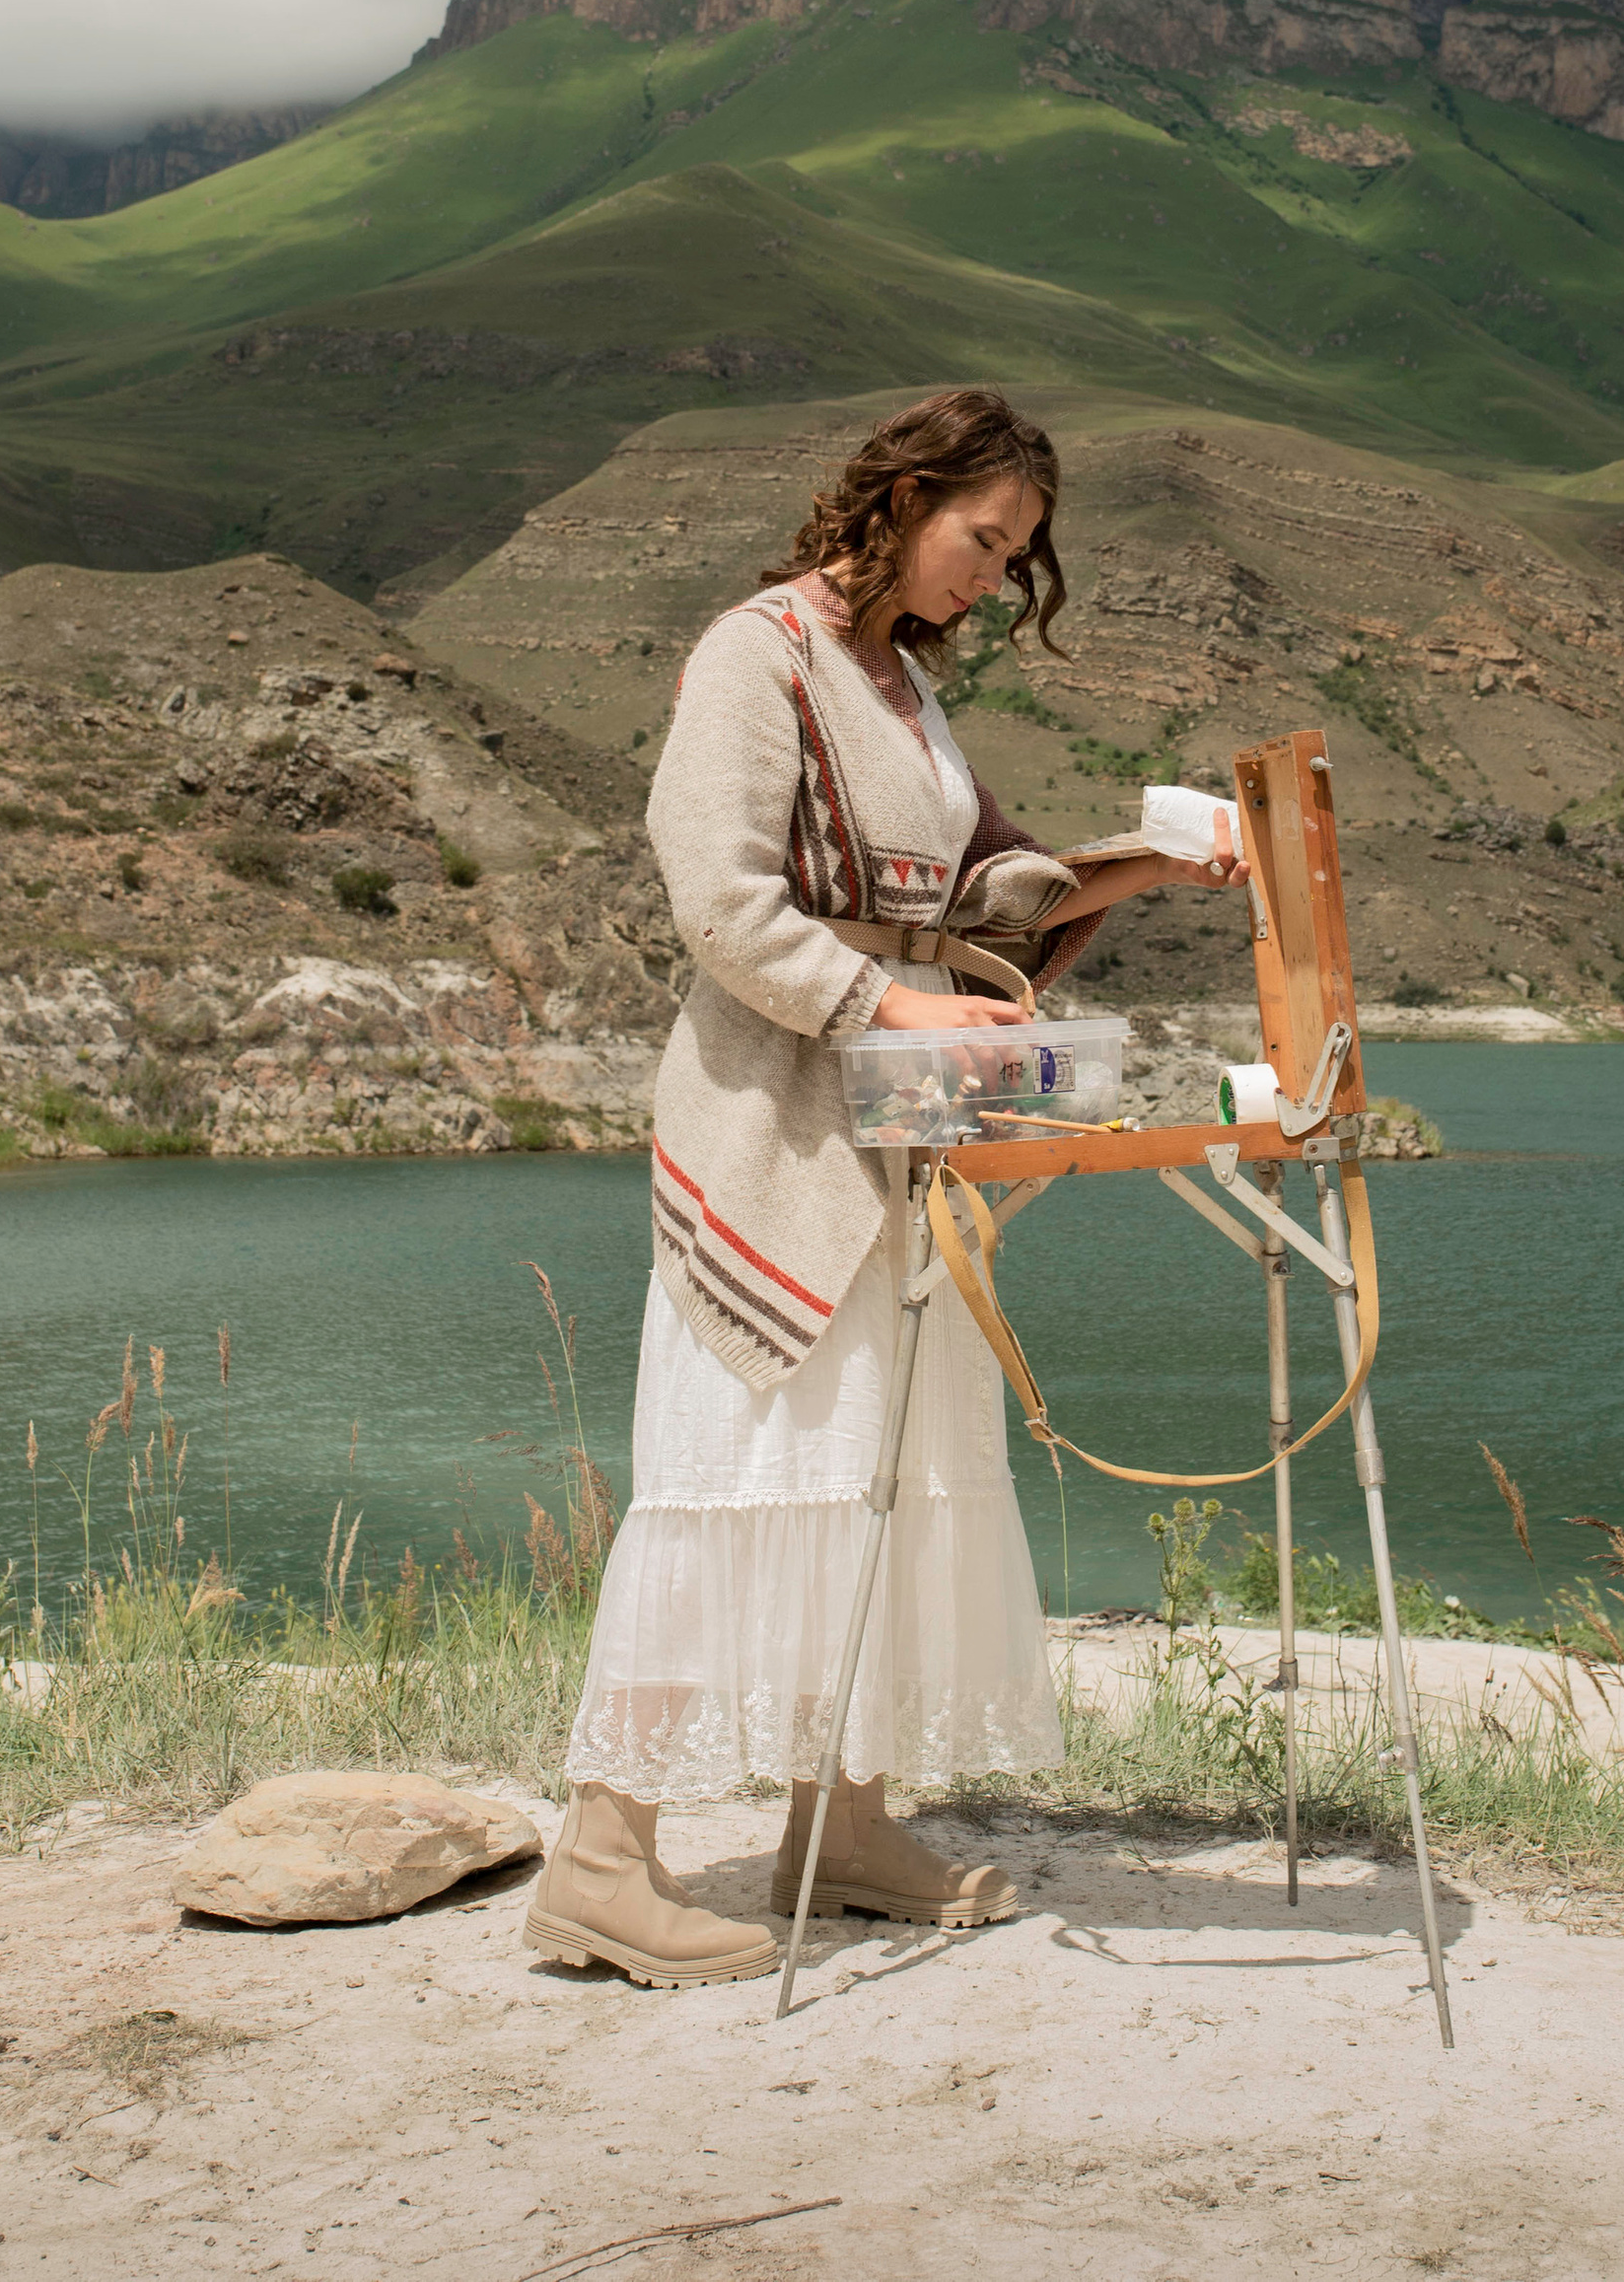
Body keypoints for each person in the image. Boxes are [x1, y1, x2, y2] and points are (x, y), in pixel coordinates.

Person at [527, 387, 1244, 1987]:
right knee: (734, 1464)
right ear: (902, 496)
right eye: (983, 538)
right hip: (777, 1119)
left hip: (899, 1126)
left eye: (1017, 556)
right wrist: (888, 1002)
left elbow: (996, 885)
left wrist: (1144, 863)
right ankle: (599, 1856)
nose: (993, 577)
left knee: (879, 1458)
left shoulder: (905, 688)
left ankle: (839, 1823)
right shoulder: (757, 653)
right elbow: (716, 894)